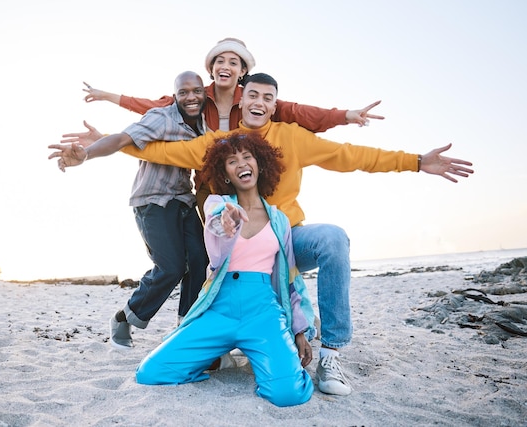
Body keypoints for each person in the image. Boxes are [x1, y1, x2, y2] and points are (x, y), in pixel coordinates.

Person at [48, 73, 475, 396]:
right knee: (198, 323)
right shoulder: (219, 143)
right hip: (237, 259)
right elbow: (159, 149)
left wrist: (418, 161)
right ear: (241, 100)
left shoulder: (293, 138)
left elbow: (355, 156)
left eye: (269, 98)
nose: (260, 102)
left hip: (286, 242)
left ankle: (331, 357)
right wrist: (98, 144)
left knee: (332, 239)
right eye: (253, 94)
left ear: (274, 106)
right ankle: (234, 345)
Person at [66, 37, 384, 218]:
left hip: (248, 183)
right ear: (212, 68)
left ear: (242, 71)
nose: (225, 66)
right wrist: (109, 101)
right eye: (220, 61)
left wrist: (346, 115)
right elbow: (153, 107)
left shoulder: (253, 101)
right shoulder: (195, 97)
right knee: (216, 243)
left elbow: (299, 113)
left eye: (234, 62)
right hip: (208, 181)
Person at [136, 132, 315, 407]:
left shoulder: (279, 220)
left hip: (264, 311)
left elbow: (291, 279)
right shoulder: (216, 204)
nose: (241, 164)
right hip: (220, 308)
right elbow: (217, 228)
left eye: (247, 157)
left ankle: (268, 357)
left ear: (260, 164)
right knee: (151, 372)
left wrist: (300, 331)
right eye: (232, 161)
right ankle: (220, 358)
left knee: (287, 394)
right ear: (225, 174)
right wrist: (226, 219)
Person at [56, 71, 210, 350]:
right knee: (172, 267)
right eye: (183, 92)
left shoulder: (205, 125)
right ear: (175, 95)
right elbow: (121, 139)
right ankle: (124, 317)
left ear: (204, 93)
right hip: (152, 200)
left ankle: (186, 325)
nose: (191, 97)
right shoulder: (160, 117)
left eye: (196, 91)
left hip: (183, 199)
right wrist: (87, 154)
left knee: (200, 259)